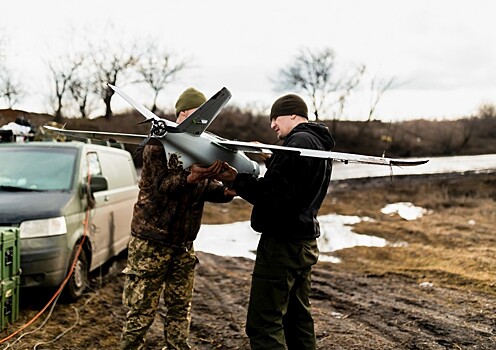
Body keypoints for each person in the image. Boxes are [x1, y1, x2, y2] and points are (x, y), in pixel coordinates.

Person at [217, 94, 335, 349]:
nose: (272, 125)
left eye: (275, 118)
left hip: (282, 245)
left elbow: (273, 196)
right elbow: (296, 186)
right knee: (297, 320)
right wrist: (272, 160)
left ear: (293, 115)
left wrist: (237, 179)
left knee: (263, 323)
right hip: (303, 241)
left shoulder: (298, 142)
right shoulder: (317, 143)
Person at [120, 87, 233, 350]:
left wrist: (227, 190)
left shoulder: (202, 145)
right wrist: (192, 177)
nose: (204, 121)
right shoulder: (158, 144)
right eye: (198, 114)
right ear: (181, 114)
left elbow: (204, 189)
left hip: (183, 245)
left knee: (180, 308)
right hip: (151, 242)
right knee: (140, 312)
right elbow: (162, 186)